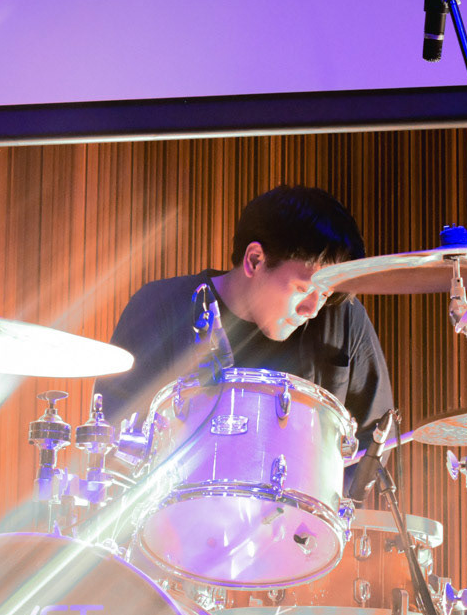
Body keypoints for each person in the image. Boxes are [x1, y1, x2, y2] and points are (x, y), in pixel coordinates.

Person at [93, 184, 394, 455]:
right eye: (303, 288)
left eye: (326, 293)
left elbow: (376, 439)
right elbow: (113, 430)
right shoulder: (159, 306)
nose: (313, 309)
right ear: (255, 260)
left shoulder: (344, 317)